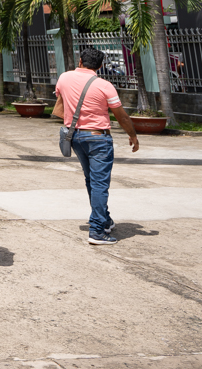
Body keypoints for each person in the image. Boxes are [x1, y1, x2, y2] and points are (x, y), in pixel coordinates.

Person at [52, 47, 140, 245]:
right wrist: (132, 135)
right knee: (100, 184)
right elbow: (120, 115)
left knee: (91, 180)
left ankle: (105, 220)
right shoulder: (104, 85)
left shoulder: (64, 77)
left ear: (80, 61)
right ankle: (97, 231)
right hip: (98, 139)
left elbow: (60, 98)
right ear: (100, 66)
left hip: (74, 137)